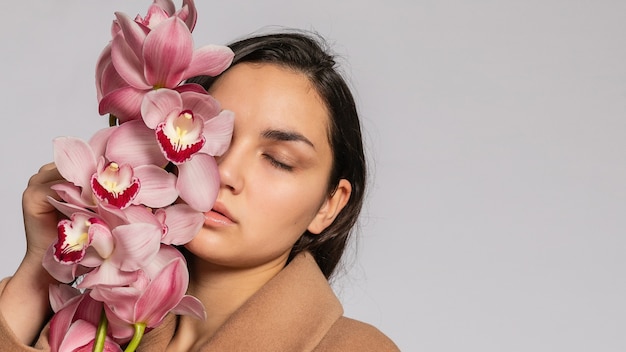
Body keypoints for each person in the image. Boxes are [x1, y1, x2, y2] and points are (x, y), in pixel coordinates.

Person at [0, 31, 399, 351]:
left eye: (278, 159)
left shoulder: (357, 348)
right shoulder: (82, 322)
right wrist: (38, 267)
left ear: (329, 205)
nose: (223, 172)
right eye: (214, 139)